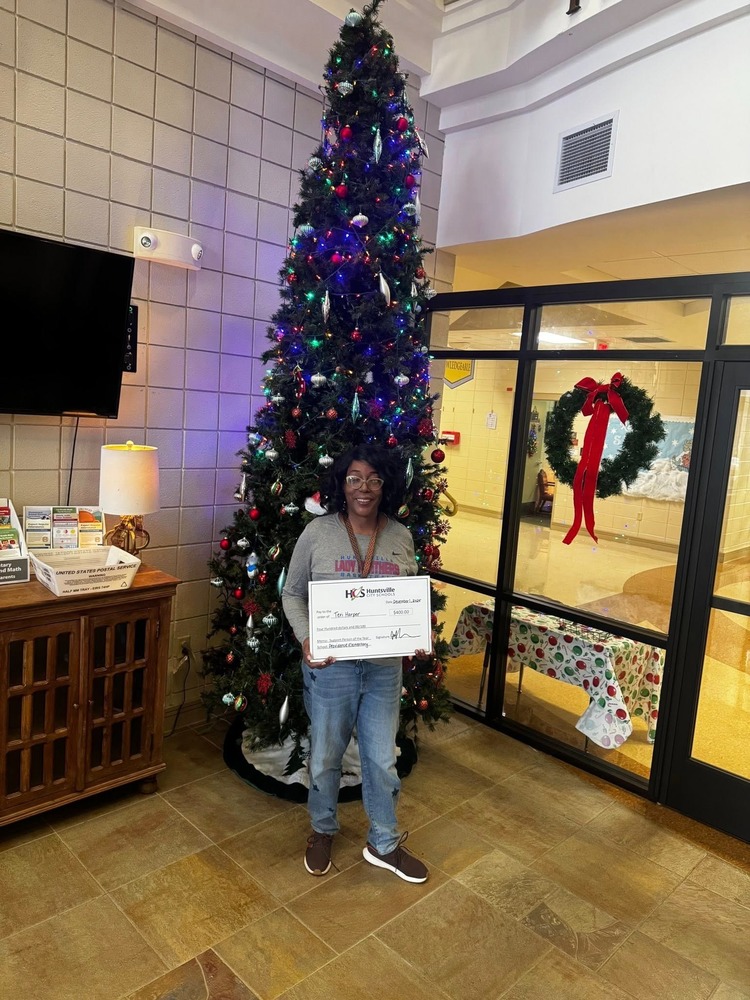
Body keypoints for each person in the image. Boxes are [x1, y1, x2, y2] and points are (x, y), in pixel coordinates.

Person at [281, 443, 429, 884]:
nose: (364, 488)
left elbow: (408, 599)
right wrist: (306, 638)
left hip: (384, 668)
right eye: (354, 479)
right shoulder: (317, 534)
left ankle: (383, 842)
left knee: (382, 759)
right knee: (326, 756)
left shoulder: (400, 536)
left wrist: (419, 635)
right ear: (341, 486)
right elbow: (292, 593)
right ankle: (323, 828)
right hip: (332, 668)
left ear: (386, 486)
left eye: (374, 480)